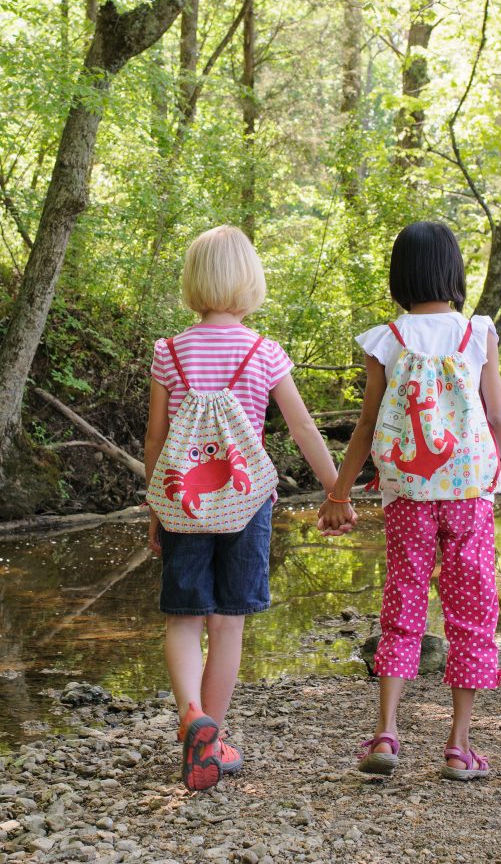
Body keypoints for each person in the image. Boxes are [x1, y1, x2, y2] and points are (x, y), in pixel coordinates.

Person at [317, 221, 501, 781]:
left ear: (401, 275)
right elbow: (497, 418)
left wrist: (340, 493)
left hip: (408, 495)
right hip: (468, 494)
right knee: (472, 613)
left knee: (403, 604)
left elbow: (365, 425)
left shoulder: (387, 338)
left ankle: (387, 732)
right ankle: (459, 746)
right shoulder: (477, 332)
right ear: (455, 271)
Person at [144, 224, 337, 791]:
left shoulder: (168, 352)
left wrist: (156, 506)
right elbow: (301, 427)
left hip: (183, 502)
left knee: (183, 618)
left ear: (193, 281)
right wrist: (335, 489)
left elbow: (156, 441)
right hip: (247, 504)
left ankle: (191, 719)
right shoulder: (264, 351)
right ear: (250, 280)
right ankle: (215, 737)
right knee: (228, 623)